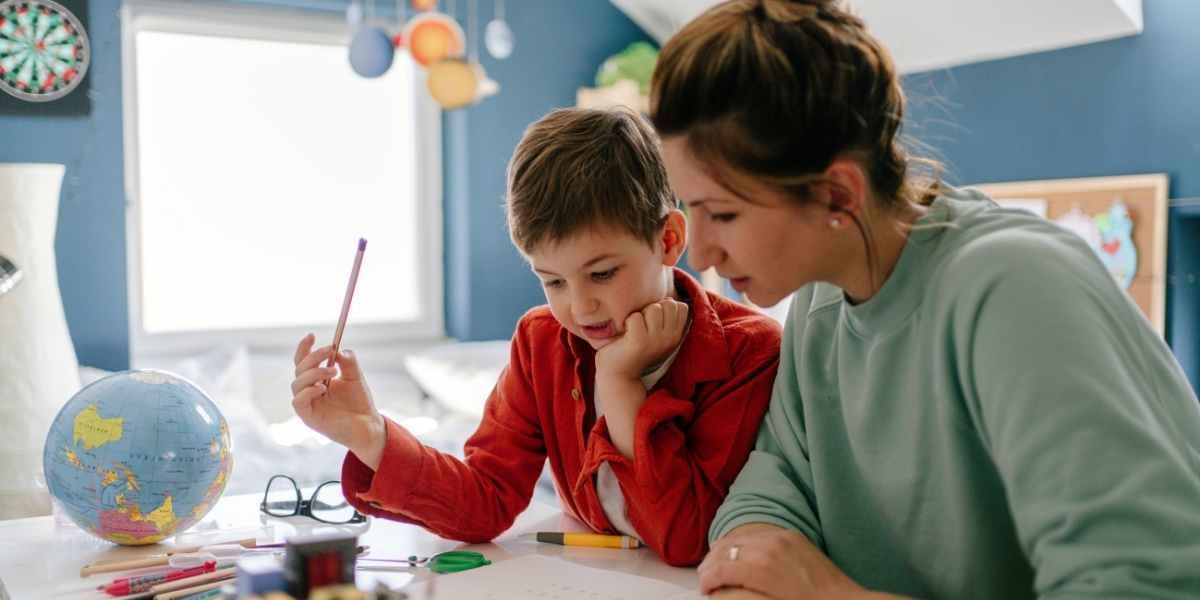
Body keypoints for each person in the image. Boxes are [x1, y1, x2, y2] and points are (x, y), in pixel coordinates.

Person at [649, 0, 1200, 597]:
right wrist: (746, 569)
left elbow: (1140, 585)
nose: (702, 252)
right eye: (690, 209)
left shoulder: (1016, 291)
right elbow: (771, 487)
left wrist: (831, 595)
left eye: (723, 213)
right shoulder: (820, 305)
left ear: (838, 195)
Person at [288, 108, 781, 567]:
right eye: (553, 281)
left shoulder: (749, 351)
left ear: (668, 239)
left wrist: (620, 386)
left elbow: (687, 538)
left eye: (602, 274)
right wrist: (369, 435)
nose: (581, 308)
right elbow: (486, 501)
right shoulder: (541, 340)